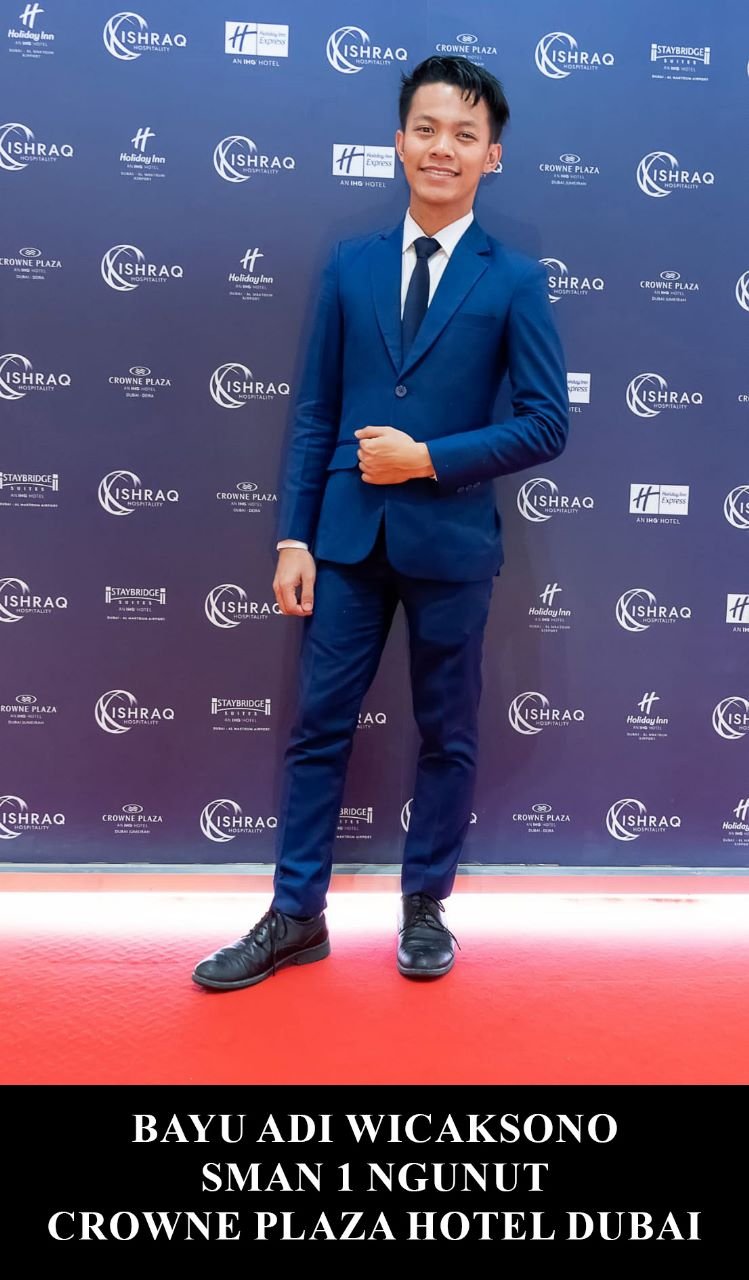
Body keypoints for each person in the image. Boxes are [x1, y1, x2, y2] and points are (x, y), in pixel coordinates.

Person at [193, 55, 568, 991]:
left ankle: (425, 907)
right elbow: (315, 410)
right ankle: (295, 915)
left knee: (448, 735)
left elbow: (546, 423)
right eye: (427, 129)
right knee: (318, 728)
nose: (444, 148)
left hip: (451, 544)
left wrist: (427, 457)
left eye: (465, 135)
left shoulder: (515, 279)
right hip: (346, 540)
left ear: (492, 156)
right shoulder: (350, 264)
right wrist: (293, 536)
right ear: (399, 141)